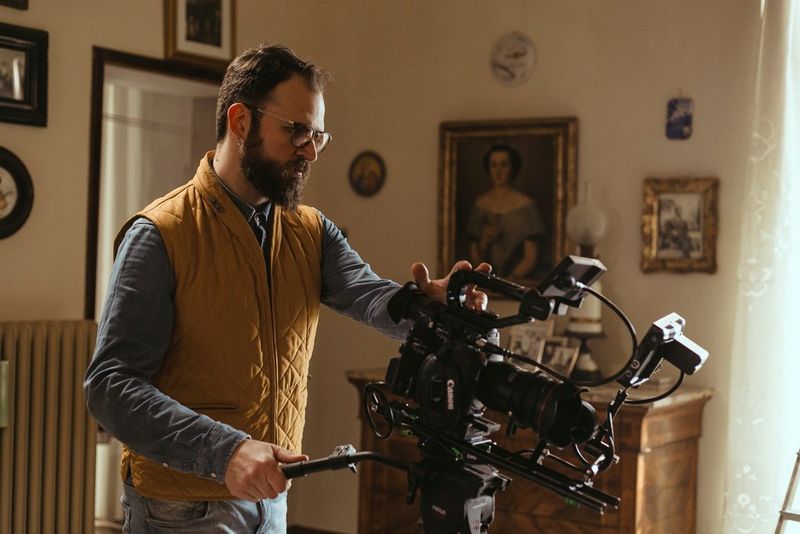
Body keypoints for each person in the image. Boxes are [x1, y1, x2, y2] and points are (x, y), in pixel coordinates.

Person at [83, 44, 489, 533]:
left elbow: (373, 297)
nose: (311, 150)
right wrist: (226, 451)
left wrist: (433, 308)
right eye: (296, 131)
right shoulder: (160, 234)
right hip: (180, 509)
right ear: (239, 122)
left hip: (270, 500)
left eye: (318, 135)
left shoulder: (311, 231)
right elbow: (110, 388)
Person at [465, 143, 546, 279]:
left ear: (513, 168)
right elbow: (475, 259)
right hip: (486, 285)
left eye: (504, 165)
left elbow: (530, 258)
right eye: (494, 165)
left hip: (513, 283)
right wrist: (484, 240)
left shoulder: (526, 205)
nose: (498, 171)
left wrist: (508, 282)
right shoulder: (480, 205)